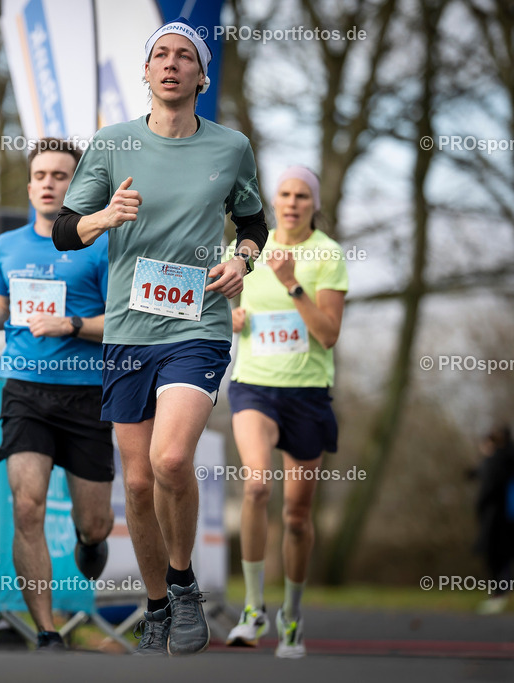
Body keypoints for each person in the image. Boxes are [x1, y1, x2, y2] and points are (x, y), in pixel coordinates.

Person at [52, 18, 268, 656]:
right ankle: (156, 604)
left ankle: (184, 587)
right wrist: (103, 217)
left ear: (202, 77)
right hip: (127, 329)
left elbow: (253, 226)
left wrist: (243, 260)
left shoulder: (231, 147)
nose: (171, 64)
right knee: (138, 482)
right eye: (160, 56)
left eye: (185, 57)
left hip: (197, 324)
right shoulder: (112, 144)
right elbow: (65, 229)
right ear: (146, 73)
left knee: (172, 459)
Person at [0, 138, 114, 651]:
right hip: (24, 389)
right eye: (41, 175)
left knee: (92, 521)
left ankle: (91, 541)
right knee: (28, 507)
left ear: (75, 185)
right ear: (29, 184)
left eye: (60, 176)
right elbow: (3, 308)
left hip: (87, 395)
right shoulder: (8, 245)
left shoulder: (100, 244)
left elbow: (123, 321)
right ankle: (46, 630)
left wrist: (73, 322)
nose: (48, 183)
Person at [223, 166, 348, 658]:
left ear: (313, 203)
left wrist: (293, 284)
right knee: (256, 485)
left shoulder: (328, 254)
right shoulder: (251, 249)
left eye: (301, 195)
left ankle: (291, 615)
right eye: (284, 194)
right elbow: (219, 304)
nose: (292, 202)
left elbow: (329, 334)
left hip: (308, 393)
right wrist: (230, 317)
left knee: (297, 516)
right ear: (273, 200)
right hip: (255, 386)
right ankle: (253, 607)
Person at [473, 424, 514, 615]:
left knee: (497, 557)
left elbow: (489, 487)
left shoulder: (495, 461)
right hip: (507, 515)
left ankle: (499, 594)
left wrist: (479, 507)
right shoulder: (506, 458)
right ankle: (501, 592)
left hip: (499, 518)